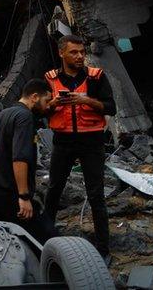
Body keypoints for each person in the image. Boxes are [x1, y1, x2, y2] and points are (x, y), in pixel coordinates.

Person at [42, 35, 115, 258]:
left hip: (92, 142)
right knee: (54, 189)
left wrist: (86, 101)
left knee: (96, 195)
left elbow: (111, 108)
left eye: (82, 52)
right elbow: (40, 111)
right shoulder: (50, 79)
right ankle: (44, 239)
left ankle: (104, 249)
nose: (80, 56)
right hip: (63, 142)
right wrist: (52, 105)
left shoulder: (96, 77)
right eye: (74, 52)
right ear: (62, 53)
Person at [0, 79, 56, 245]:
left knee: (12, 238)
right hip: (11, 194)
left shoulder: (1, 116)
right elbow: (19, 158)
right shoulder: (25, 118)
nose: (49, 106)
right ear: (34, 97)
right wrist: (23, 196)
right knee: (46, 238)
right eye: (47, 101)